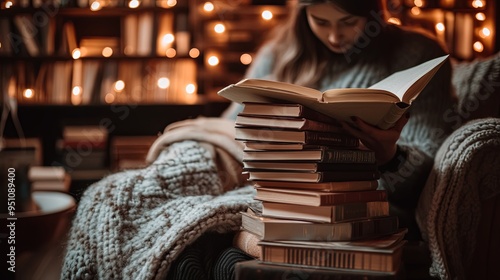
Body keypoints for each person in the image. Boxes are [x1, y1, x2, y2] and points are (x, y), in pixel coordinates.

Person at [170, 0, 455, 278]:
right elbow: (227, 126)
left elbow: (429, 167)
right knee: (188, 243)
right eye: (321, 22)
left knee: (222, 253)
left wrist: (389, 156)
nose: (334, 35)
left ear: (372, 12)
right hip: (269, 187)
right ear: (303, 14)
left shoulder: (416, 53)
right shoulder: (278, 53)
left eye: (348, 22)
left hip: (358, 202)